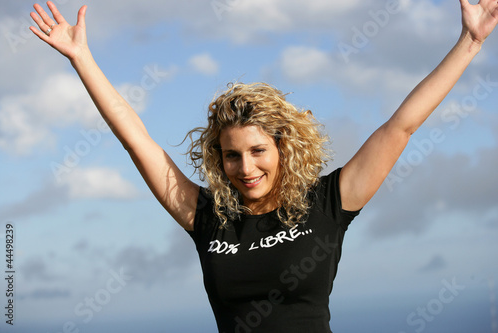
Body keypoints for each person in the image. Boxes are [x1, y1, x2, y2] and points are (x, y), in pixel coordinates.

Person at [30, 1, 498, 332]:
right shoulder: (207, 216)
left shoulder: (328, 203)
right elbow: (138, 142)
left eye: (258, 151)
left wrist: (469, 44)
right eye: (231, 154)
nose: (245, 167)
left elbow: (401, 127)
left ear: (282, 149)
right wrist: (82, 58)